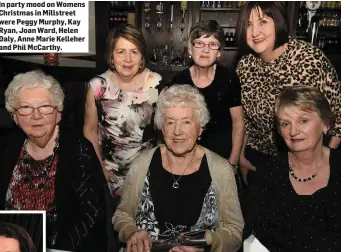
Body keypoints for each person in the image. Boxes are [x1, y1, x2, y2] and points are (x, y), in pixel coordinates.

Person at [113, 85, 244, 252]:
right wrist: (131, 232)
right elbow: (122, 214)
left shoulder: (221, 169)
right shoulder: (143, 162)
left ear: (200, 128)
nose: (177, 131)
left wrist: (207, 245)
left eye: (186, 122)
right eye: (170, 122)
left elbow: (235, 232)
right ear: (162, 127)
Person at [0, 70, 109, 252]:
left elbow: (90, 214)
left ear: (58, 113)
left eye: (45, 106)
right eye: (26, 108)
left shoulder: (79, 149)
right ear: (15, 117)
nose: (36, 116)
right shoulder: (4, 147)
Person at [236, 1, 341, 185]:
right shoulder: (245, 66)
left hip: (306, 160)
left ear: (278, 22)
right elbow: (243, 118)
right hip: (259, 160)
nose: (254, 32)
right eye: (248, 25)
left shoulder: (310, 59)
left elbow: (338, 117)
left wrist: (326, 163)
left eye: (262, 22)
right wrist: (241, 157)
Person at [243, 86, 341, 251]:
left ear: (325, 124)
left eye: (303, 121)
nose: (293, 131)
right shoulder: (267, 174)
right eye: (285, 123)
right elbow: (255, 235)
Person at [84, 24, 162, 196]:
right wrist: (100, 170)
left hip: (147, 172)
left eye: (134, 52)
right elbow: (90, 131)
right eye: (121, 52)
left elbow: (161, 127)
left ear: (142, 57)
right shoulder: (98, 86)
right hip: (109, 173)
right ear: (111, 56)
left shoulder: (154, 83)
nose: (128, 59)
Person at [170, 20, 244, 169]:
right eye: (199, 43)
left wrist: (233, 163)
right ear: (190, 50)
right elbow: (171, 125)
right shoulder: (179, 80)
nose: (205, 50)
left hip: (222, 155)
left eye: (212, 44)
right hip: (187, 154)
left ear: (219, 52)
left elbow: (238, 123)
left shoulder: (229, 78)